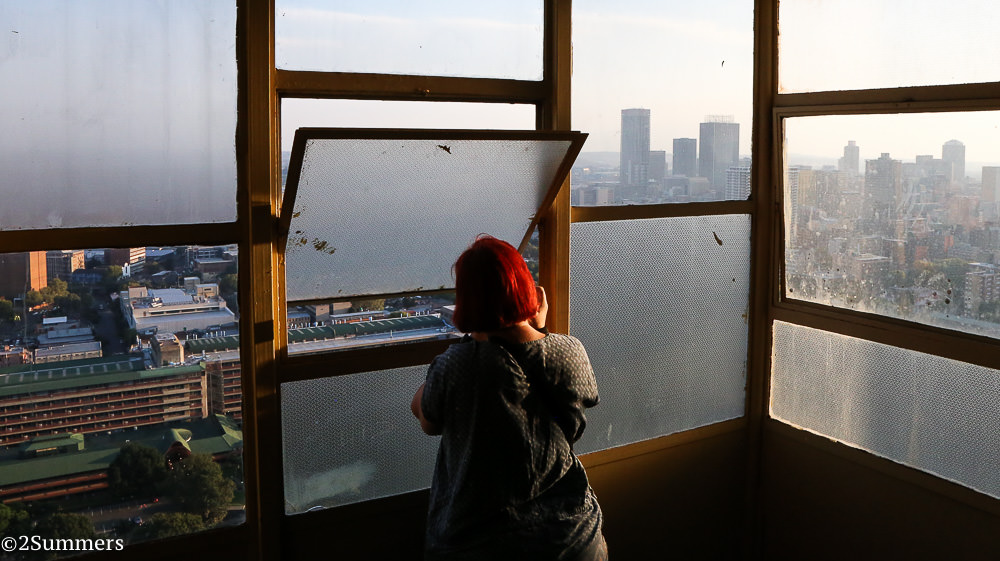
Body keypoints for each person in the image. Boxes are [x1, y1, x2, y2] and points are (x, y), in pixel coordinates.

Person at [411, 235, 607, 561]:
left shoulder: (457, 364)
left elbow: (427, 419)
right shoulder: (570, 350)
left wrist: (457, 353)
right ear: (526, 290)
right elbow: (560, 384)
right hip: (572, 538)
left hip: (476, 540)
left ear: (468, 301)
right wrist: (537, 326)